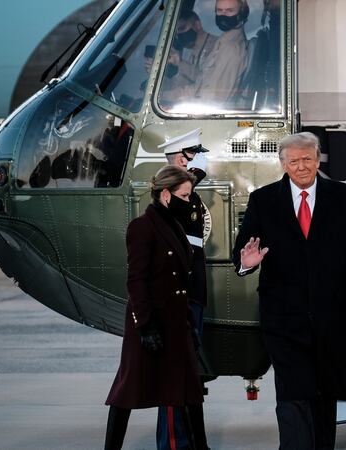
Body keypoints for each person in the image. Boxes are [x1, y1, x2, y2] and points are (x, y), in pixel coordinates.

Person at [231, 132, 346, 449]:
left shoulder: (342, 197)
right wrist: (247, 262)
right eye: (293, 161)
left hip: (330, 317)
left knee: (324, 398)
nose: (301, 166)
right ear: (283, 164)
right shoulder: (264, 200)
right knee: (293, 396)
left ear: (318, 158)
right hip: (283, 320)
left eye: (307, 159)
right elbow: (241, 254)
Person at [104, 165, 208, 450]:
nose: (188, 202)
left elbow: (181, 284)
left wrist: (189, 324)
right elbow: (136, 280)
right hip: (151, 324)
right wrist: (145, 326)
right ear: (165, 194)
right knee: (127, 393)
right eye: (184, 196)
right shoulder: (142, 227)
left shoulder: (174, 225)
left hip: (177, 324)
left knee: (189, 393)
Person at [155, 129, 212, 450]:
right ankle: (174, 444)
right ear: (181, 158)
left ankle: (183, 441)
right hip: (182, 301)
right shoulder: (172, 200)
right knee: (177, 378)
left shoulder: (184, 195)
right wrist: (195, 169)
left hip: (192, 299)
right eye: (195, 153)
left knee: (186, 377)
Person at [194, 0, 250, 105]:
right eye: (219, 10)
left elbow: (212, 100)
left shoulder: (231, 49)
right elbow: (202, 81)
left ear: (241, 14)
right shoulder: (224, 41)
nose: (223, 15)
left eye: (229, 11)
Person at [172, 8, 218, 87]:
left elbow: (209, 81)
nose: (179, 35)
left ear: (197, 25)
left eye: (182, 28)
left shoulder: (217, 47)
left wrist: (180, 63)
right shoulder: (188, 53)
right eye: (176, 33)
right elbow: (180, 85)